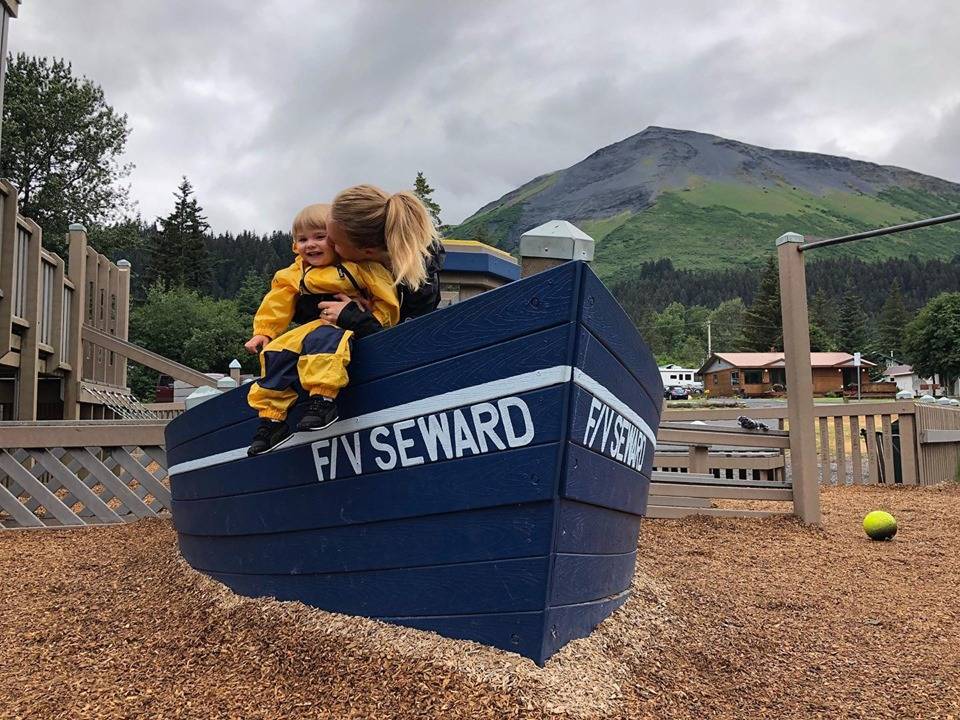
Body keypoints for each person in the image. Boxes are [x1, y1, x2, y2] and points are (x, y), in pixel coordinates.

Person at [244, 203, 400, 455]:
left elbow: (385, 296)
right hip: (315, 324)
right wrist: (264, 331)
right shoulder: (295, 272)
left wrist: (376, 320)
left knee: (322, 341)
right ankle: (272, 419)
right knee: (277, 351)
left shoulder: (356, 266)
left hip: (344, 324)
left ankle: (323, 400)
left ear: (336, 239)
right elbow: (278, 301)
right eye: (302, 239)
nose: (310, 245)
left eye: (319, 236)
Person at [315, 184, 446, 336]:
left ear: (367, 251)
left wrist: (355, 319)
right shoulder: (348, 262)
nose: (327, 245)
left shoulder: (418, 287)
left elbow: (407, 342)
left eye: (336, 242)